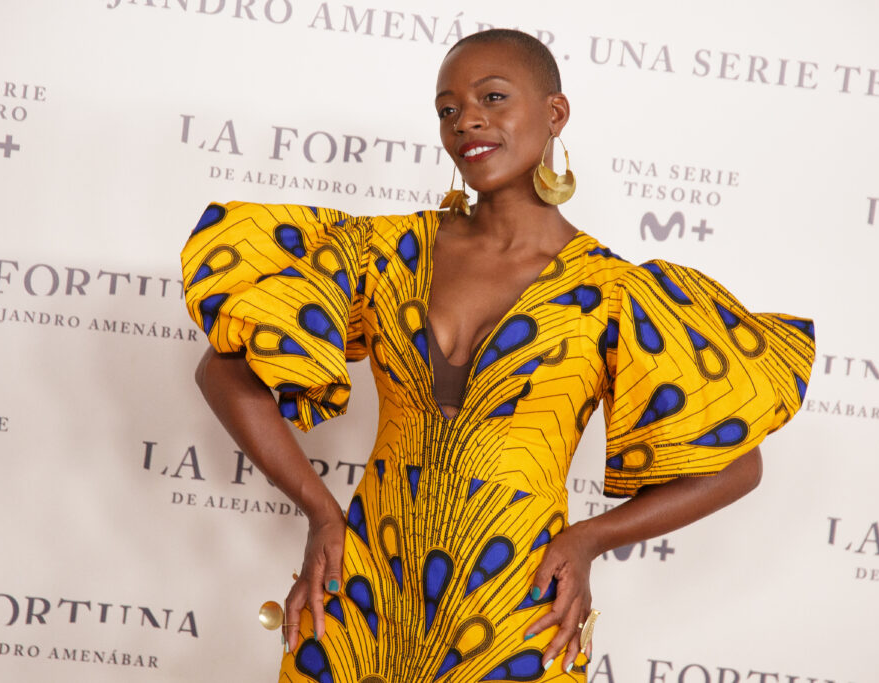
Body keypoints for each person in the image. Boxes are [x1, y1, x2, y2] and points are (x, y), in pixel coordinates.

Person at [180, 29, 815, 683]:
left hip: (518, 603)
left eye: (492, 97)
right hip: (358, 594)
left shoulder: (613, 293)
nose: (467, 121)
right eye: (448, 109)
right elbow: (224, 371)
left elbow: (736, 464)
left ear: (554, 113)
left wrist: (588, 538)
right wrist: (319, 508)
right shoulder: (380, 251)